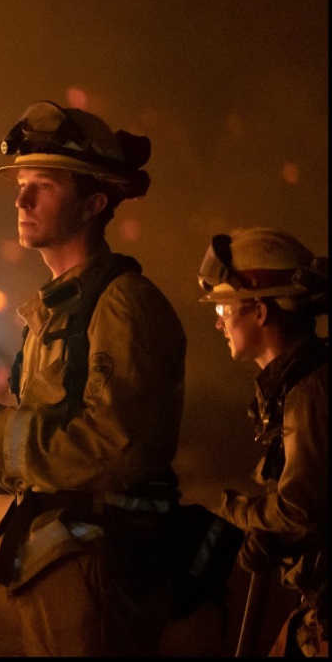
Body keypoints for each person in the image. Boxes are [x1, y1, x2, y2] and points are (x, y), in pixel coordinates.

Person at [0, 100, 188, 656]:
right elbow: (46, 465)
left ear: (94, 203)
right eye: (22, 182)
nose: (22, 198)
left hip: (91, 569)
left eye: (45, 185)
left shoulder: (122, 308)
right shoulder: (55, 314)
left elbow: (109, 454)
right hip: (35, 558)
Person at [197, 227, 328, 657]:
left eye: (223, 305)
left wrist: (234, 511)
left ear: (259, 311)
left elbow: (298, 510)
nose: (218, 320)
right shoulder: (296, 387)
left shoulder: (309, 393)